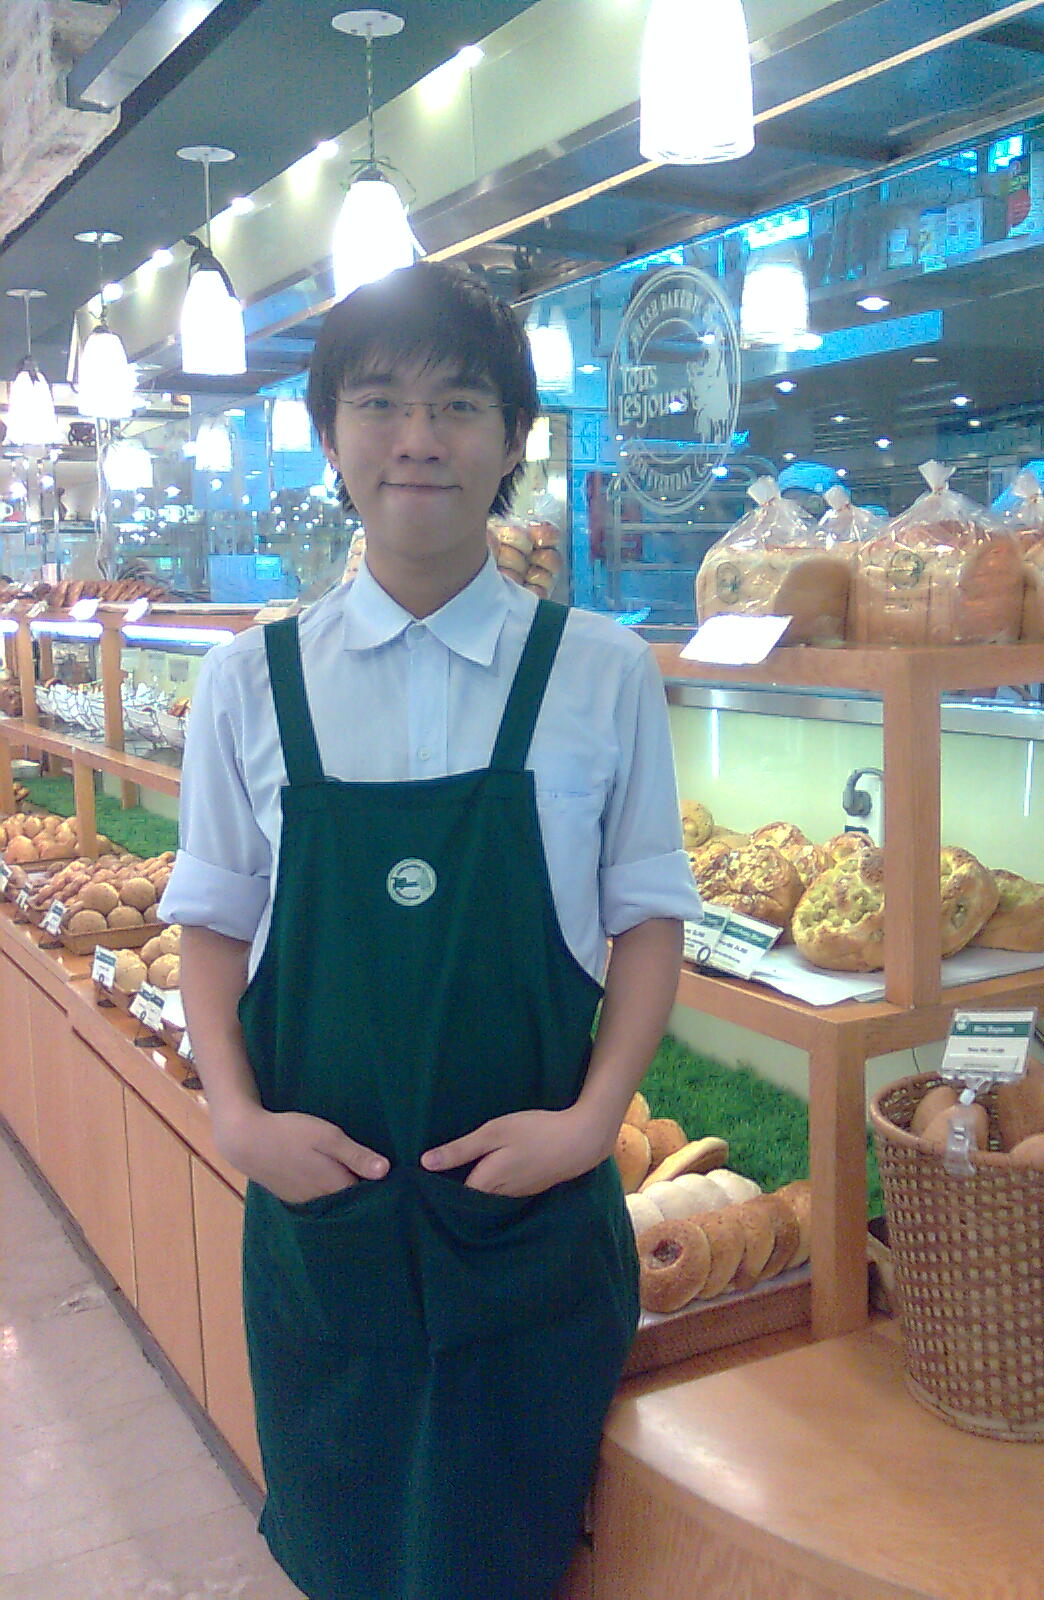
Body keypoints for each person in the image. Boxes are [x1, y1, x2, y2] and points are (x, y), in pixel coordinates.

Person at [161, 261, 701, 1600]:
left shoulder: (599, 671)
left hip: (531, 1234)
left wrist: (592, 1123)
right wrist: (237, 1119)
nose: (418, 438)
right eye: (380, 402)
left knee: (509, 1553)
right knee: (346, 1547)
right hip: (326, 1233)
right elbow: (213, 927)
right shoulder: (248, 683)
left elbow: (647, 919)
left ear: (513, 440)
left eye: (459, 404)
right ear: (330, 433)